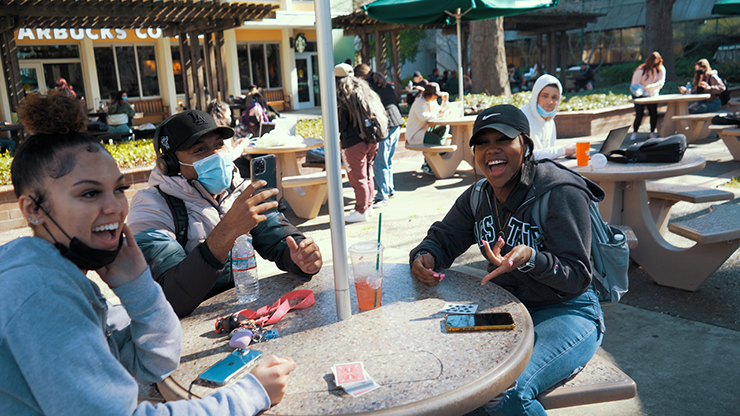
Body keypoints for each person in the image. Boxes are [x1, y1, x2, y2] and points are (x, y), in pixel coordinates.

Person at [1, 89, 296, 414]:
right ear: (33, 209)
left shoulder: (57, 277)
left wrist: (137, 283)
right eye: (89, 194)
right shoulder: (39, 295)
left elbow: (154, 362)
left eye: (118, 189)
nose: (114, 207)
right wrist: (249, 395)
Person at [410, 104, 604, 416]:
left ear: (525, 145)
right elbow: (444, 237)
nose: (492, 150)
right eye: (482, 142)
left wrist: (531, 259)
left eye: (503, 140)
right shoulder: (478, 196)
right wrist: (425, 256)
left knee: (506, 391)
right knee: (455, 382)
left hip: (568, 311)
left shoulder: (560, 191)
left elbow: (578, 275)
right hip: (508, 310)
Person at [127, 110, 322, 318]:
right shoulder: (150, 207)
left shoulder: (236, 188)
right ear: (170, 164)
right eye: (200, 149)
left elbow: (275, 233)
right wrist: (227, 230)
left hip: (238, 313)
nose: (216, 156)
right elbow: (170, 297)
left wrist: (300, 257)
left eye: (218, 145)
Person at [335, 63, 388, 223]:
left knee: (357, 179)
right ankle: (368, 206)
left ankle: (361, 211)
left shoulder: (343, 94)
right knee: (367, 175)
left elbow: (342, 123)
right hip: (372, 139)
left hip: (353, 143)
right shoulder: (364, 89)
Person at [355, 65, 404, 207]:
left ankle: (382, 196)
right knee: (387, 160)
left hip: (385, 125)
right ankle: (389, 189)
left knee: (379, 162)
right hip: (396, 122)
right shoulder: (383, 83)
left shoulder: (368, 87)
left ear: (359, 77)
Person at [520, 74, 575, 160]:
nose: (550, 101)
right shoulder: (522, 118)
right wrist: (563, 150)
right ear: (536, 96)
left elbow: (547, 154)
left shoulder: (550, 121)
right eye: (545, 96)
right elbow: (527, 156)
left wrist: (567, 154)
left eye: (554, 97)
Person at [405, 82, 450, 175]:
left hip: (425, 130)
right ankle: (430, 163)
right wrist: (438, 113)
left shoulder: (432, 101)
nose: (436, 97)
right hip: (415, 134)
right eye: (435, 95)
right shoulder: (419, 103)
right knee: (435, 141)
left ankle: (434, 156)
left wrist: (445, 101)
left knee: (444, 127)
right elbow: (424, 117)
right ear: (429, 94)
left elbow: (441, 111)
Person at [630, 51, 666, 140]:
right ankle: (635, 132)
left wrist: (652, 87)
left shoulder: (660, 69)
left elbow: (661, 82)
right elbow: (634, 84)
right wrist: (643, 88)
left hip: (652, 95)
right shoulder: (641, 70)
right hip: (640, 95)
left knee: (653, 113)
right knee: (639, 114)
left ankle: (652, 132)